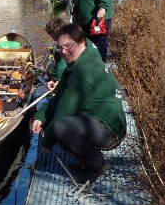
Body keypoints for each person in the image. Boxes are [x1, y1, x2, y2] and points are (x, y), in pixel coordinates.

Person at [32, 24, 126, 184]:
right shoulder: (88, 51)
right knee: (60, 125)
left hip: (110, 131)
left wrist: (47, 144)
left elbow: (63, 111)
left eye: (68, 46)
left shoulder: (82, 74)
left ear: (81, 42)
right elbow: (61, 94)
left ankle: (96, 165)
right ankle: (87, 157)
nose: (63, 51)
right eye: (60, 47)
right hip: (103, 119)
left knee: (60, 128)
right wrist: (41, 115)